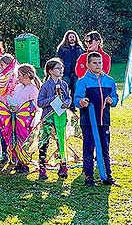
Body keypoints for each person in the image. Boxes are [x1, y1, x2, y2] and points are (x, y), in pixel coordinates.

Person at [74, 52, 119, 187]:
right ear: (88, 65)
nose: (98, 65)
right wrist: (82, 102)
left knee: (105, 148)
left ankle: (107, 176)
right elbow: (76, 99)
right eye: (94, 62)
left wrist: (113, 100)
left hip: (104, 121)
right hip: (88, 122)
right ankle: (89, 176)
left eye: (100, 62)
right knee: (89, 148)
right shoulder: (83, 81)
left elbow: (115, 97)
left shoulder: (109, 81)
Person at [1, 63, 41, 173]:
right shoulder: (18, 87)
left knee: (24, 141)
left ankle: (24, 163)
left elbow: (37, 106)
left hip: (26, 120)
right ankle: (18, 161)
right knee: (16, 140)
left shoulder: (33, 89)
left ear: (26, 75)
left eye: (19, 75)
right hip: (16, 119)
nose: (17, 77)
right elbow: (14, 99)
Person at [37, 58, 72, 180]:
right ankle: (42, 168)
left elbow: (68, 97)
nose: (61, 70)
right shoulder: (46, 86)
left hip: (61, 117)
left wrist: (67, 102)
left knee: (61, 142)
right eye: (58, 68)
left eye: (61, 68)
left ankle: (63, 166)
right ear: (50, 71)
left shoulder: (64, 84)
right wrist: (52, 99)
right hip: (48, 119)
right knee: (44, 143)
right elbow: (39, 102)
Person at [57, 30, 84, 110]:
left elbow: (83, 59)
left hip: (76, 72)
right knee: (64, 89)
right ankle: (64, 105)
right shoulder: (62, 48)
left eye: (73, 37)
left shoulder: (79, 48)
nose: (72, 38)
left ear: (76, 38)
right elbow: (59, 58)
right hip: (66, 72)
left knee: (75, 89)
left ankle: (72, 107)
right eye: (70, 37)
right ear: (67, 38)